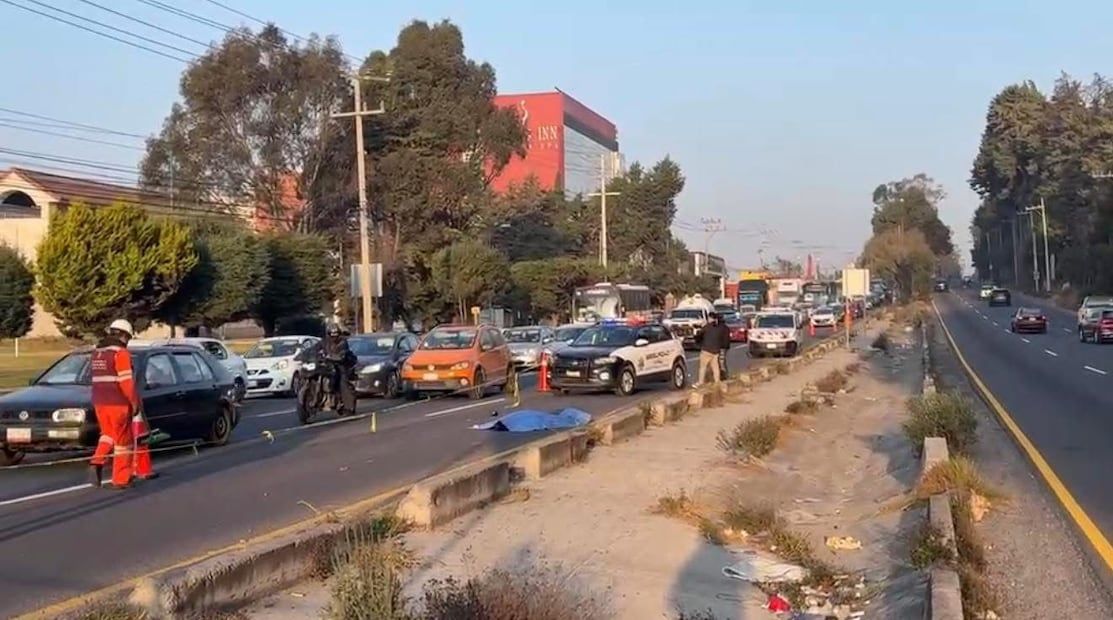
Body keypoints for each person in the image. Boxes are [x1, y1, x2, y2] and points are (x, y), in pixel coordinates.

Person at [89, 319, 156, 489]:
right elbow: (126, 382)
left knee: (107, 434)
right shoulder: (121, 353)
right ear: (124, 335)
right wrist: (134, 403)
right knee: (123, 442)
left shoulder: (97, 353)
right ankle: (120, 479)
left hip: (99, 402)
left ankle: (97, 461)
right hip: (118, 403)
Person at [321, 322, 357, 413]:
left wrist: (336, 357)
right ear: (328, 333)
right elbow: (315, 348)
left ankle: (348, 406)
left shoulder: (343, 342)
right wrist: (305, 354)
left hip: (340, 365)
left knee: (343, 382)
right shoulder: (324, 341)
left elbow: (343, 354)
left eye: (336, 333)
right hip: (328, 364)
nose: (334, 335)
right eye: (332, 333)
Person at [695, 312, 732, 386]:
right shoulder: (720, 328)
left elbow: (698, 336)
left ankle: (700, 382)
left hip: (706, 350)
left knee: (703, 367)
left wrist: (700, 329)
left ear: (710, 318)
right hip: (716, 351)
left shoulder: (707, 327)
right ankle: (717, 381)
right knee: (716, 367)